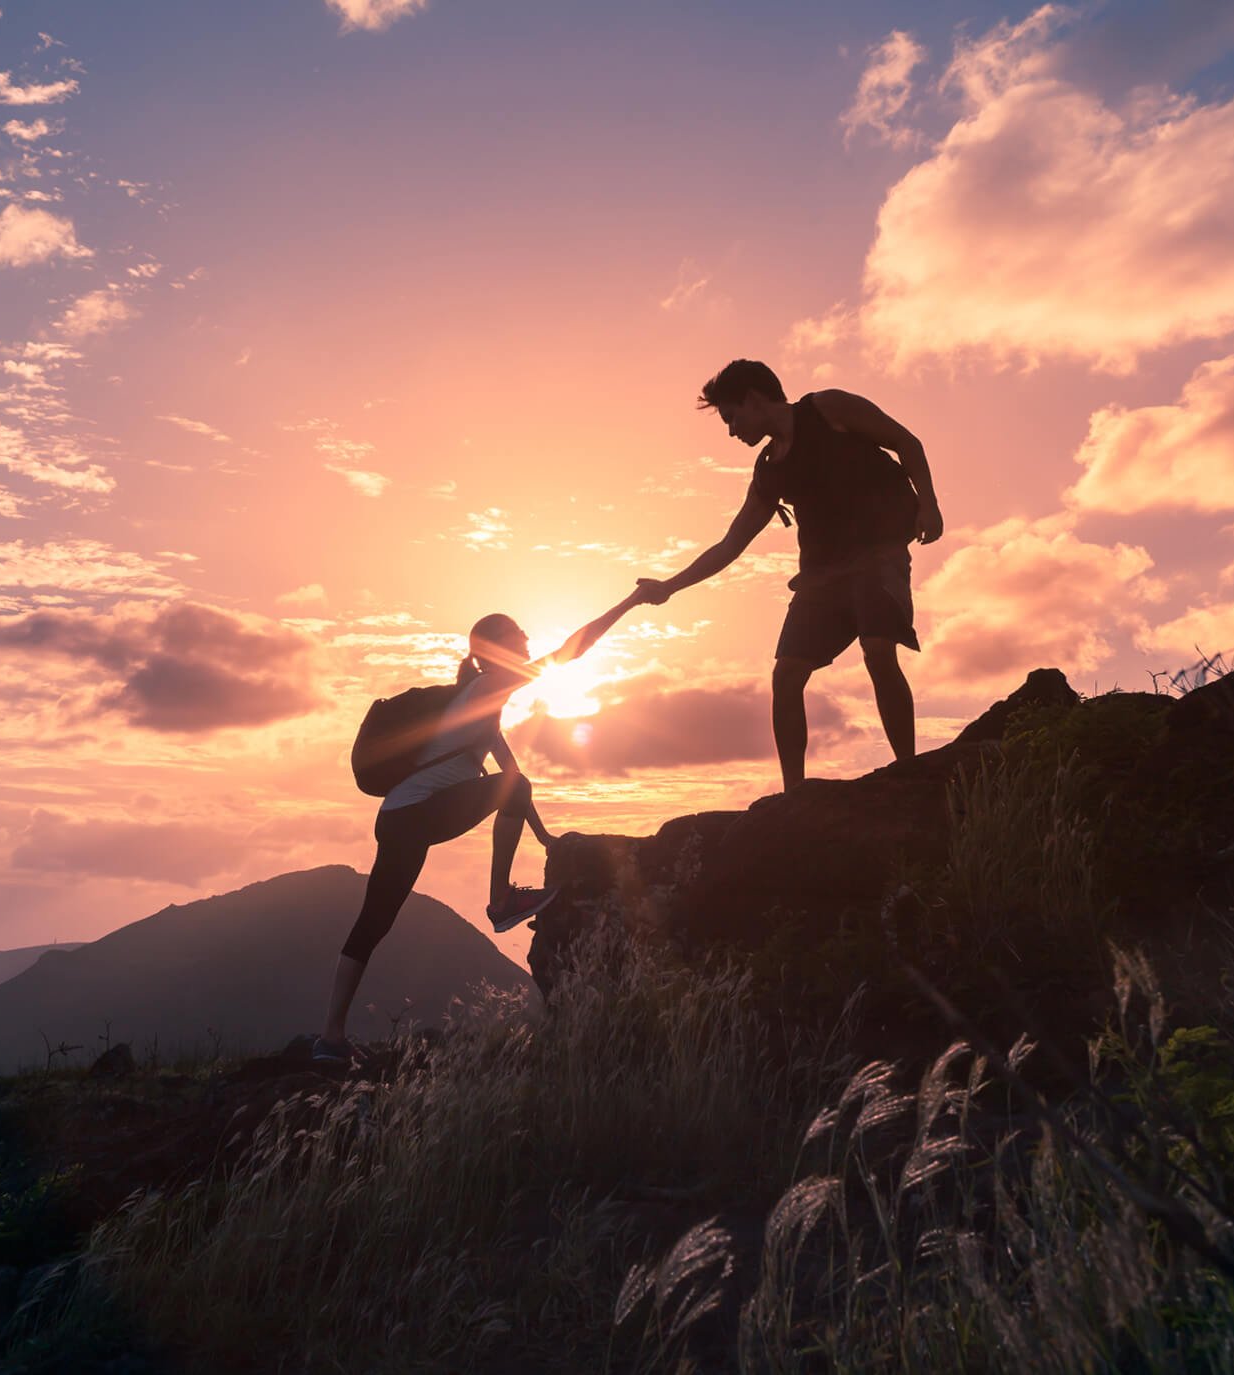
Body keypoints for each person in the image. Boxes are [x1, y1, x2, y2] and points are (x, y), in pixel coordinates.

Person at [313, 593, 645, 1061]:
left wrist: (544, 836)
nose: (528, 638)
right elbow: (570, 652)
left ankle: (330, 1038)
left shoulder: (481, 706)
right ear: (496, 648)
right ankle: (500, 900)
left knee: (374, 923)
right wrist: (628, 602)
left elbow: (511, 779)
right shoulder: (489, 685)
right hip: (416, 815)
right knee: (376, 920)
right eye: (518, 633)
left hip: (399, 817)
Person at [637, 359, 943, 791]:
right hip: (820, 579)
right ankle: (793, 794)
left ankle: (909, 771)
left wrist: (928, 503)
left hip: (878, 555)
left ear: (755, 399)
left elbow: (906, 442)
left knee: (878, 649)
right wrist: (668, 587)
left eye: (731, 417)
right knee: (786, 676)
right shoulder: (768, 469)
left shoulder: (829, 408)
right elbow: (730, 544)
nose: (731, 430)